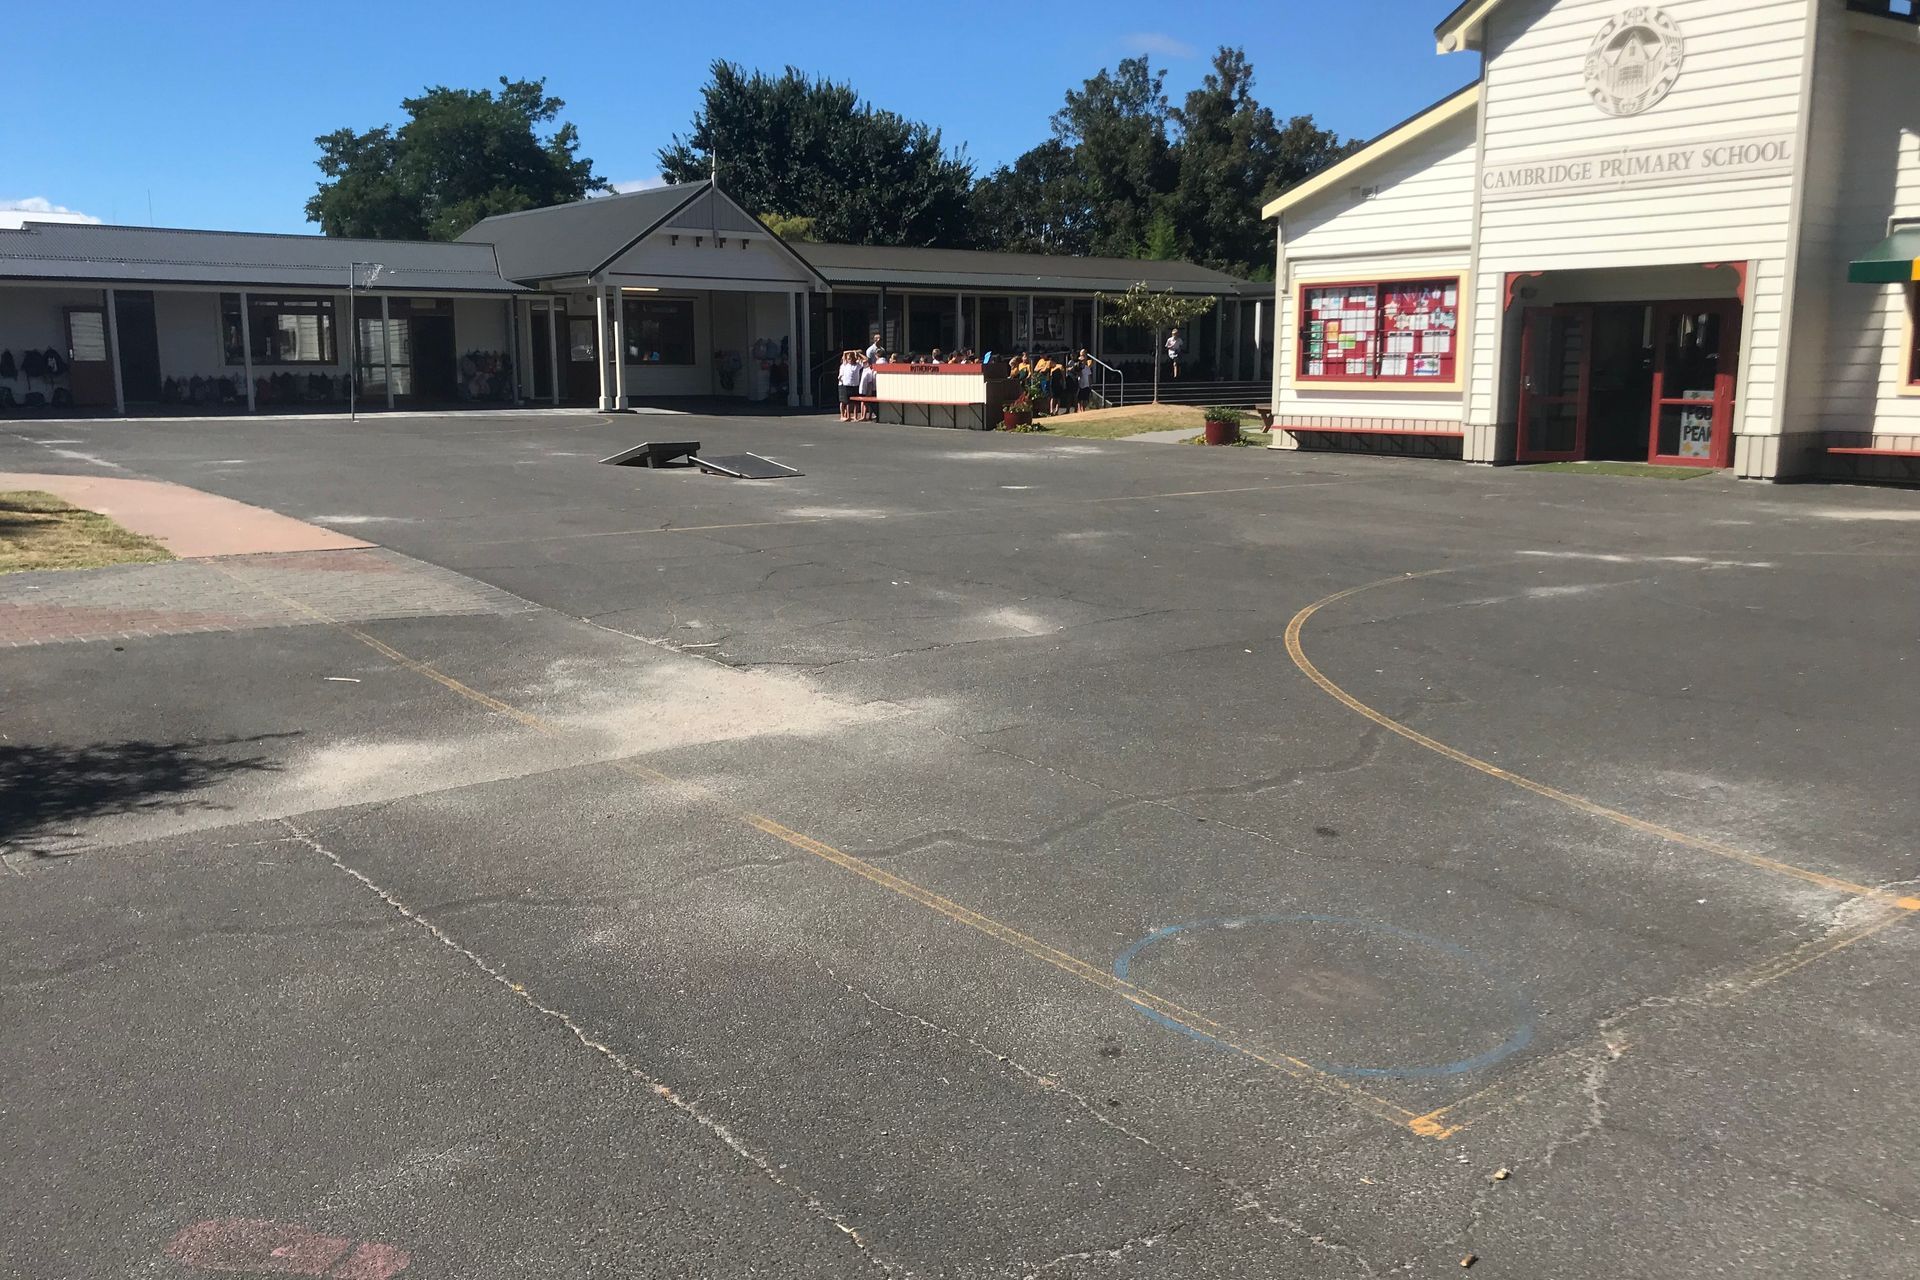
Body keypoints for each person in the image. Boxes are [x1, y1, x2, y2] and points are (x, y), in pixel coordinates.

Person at [837, 350, 861, 421]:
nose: (849, 360)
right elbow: (844, 354)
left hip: (855, 385)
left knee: (856, 402)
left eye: (850, 359)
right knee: (847, 402)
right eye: (848, 359)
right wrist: (849, 352)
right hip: (846, 385)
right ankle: (847, 416)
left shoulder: (857, 365)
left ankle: (855, 416)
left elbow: (865, 360)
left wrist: (856, 353)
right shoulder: (845, 365)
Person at [858, 355, 879, 420]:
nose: (863, 363)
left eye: (865, 362)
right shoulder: (864, 369)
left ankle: (866, 416)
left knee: (867, 403)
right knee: (863, 402)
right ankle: (863, 415)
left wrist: (868, 392)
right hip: (862, 388)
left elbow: (870, 383)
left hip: (867, 390)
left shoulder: (869, 371)